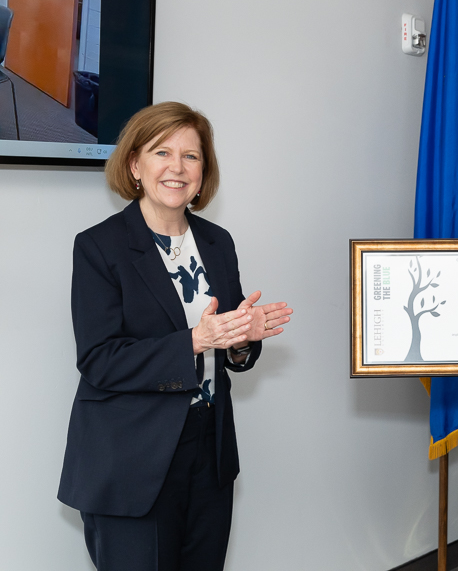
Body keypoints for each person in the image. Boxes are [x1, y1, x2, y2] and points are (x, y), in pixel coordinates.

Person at [58, 102, 293, 571]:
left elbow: (225, 342)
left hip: (208, 448)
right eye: (162, 152)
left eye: (192, 156)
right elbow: (100, 360)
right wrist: (193, 341)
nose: (177, 167)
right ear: (134, 165)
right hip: (131, 457)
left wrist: (244, 337)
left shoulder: (217, 242)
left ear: (203, 174)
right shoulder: (98, 246)